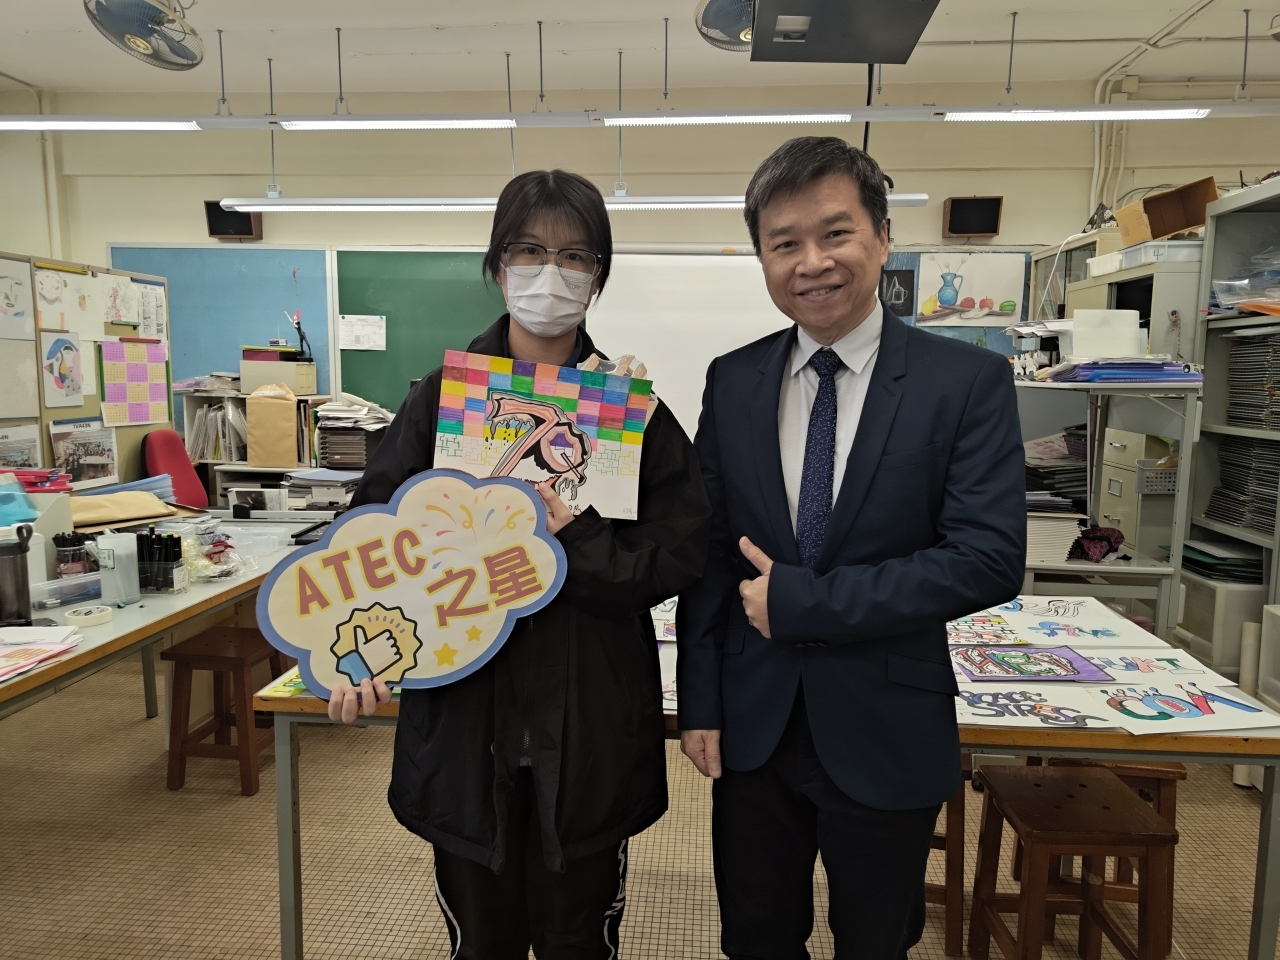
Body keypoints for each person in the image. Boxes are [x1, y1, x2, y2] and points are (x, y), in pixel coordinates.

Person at [330, 169, 711, 959]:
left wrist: (574, 537)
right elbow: (371, 538)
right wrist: (355, 654)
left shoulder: (629, 412)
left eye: (575, 256)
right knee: (481, 942)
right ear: (498, 265)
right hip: (468, 723)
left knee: (581, 941)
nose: (551, 273)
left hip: (590, 719)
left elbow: (678, 555)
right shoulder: (442, 400)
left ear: (597, 276)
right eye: (530, 251)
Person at [677, 137, 1026, 959]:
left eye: (835, 233)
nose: (812, 262)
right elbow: (710, 552)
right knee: (756, 938)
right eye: (784, 243)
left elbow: (986, 558)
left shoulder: (962, 383)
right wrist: (699, 702)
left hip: (886, 722)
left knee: (875, 941)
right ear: (763, 258)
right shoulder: (734, 380)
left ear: (882, 236)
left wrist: (808, 602)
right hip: (754, 724)